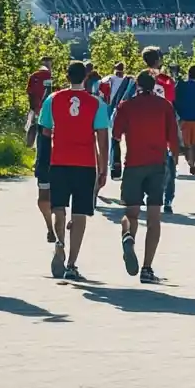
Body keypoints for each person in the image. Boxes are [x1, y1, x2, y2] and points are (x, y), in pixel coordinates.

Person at [41, 60, 111, 281]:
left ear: (66, 75)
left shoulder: (52, 100)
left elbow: (45, 131)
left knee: (59, 206)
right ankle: (72, 263)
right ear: (86, 77)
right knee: (80, 213)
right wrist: (103, 168)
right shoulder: (97, 104)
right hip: (85, 163)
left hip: (59, 160)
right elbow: (102, 137)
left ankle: (60, 242)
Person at [112, 71, 179, 284]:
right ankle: (147, 268)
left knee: (130, 213)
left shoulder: (126, 106)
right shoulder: (165, 106)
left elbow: (115, 134)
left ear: (137, 85)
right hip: (156, 165)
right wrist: (175, 158)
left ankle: (127, 235)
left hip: (133, 164)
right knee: (154, 219)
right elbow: (173, 139)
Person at [140, 46, 179, 214]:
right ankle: (167, 198)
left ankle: (142, 193)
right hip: (162, 126)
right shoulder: (166, 80)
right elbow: (171, 100)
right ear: (159, 60)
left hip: (141, 126)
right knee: (168, 164)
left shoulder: (139, 78)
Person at [26, 56, 56, 244]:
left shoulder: (34, 77)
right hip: (62, 157)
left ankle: (49, 227)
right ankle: (58, 230)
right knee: (59, 199)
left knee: (43, 194)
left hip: (44, 153)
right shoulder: (56, 95)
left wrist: (32, 115)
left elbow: (30, 97)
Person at [174, 65, 195, 177]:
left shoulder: (181, 85)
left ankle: (189, 161)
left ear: (188, 73)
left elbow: (174, 100)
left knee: (186, 144)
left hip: (184, 117)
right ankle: (192, 162)